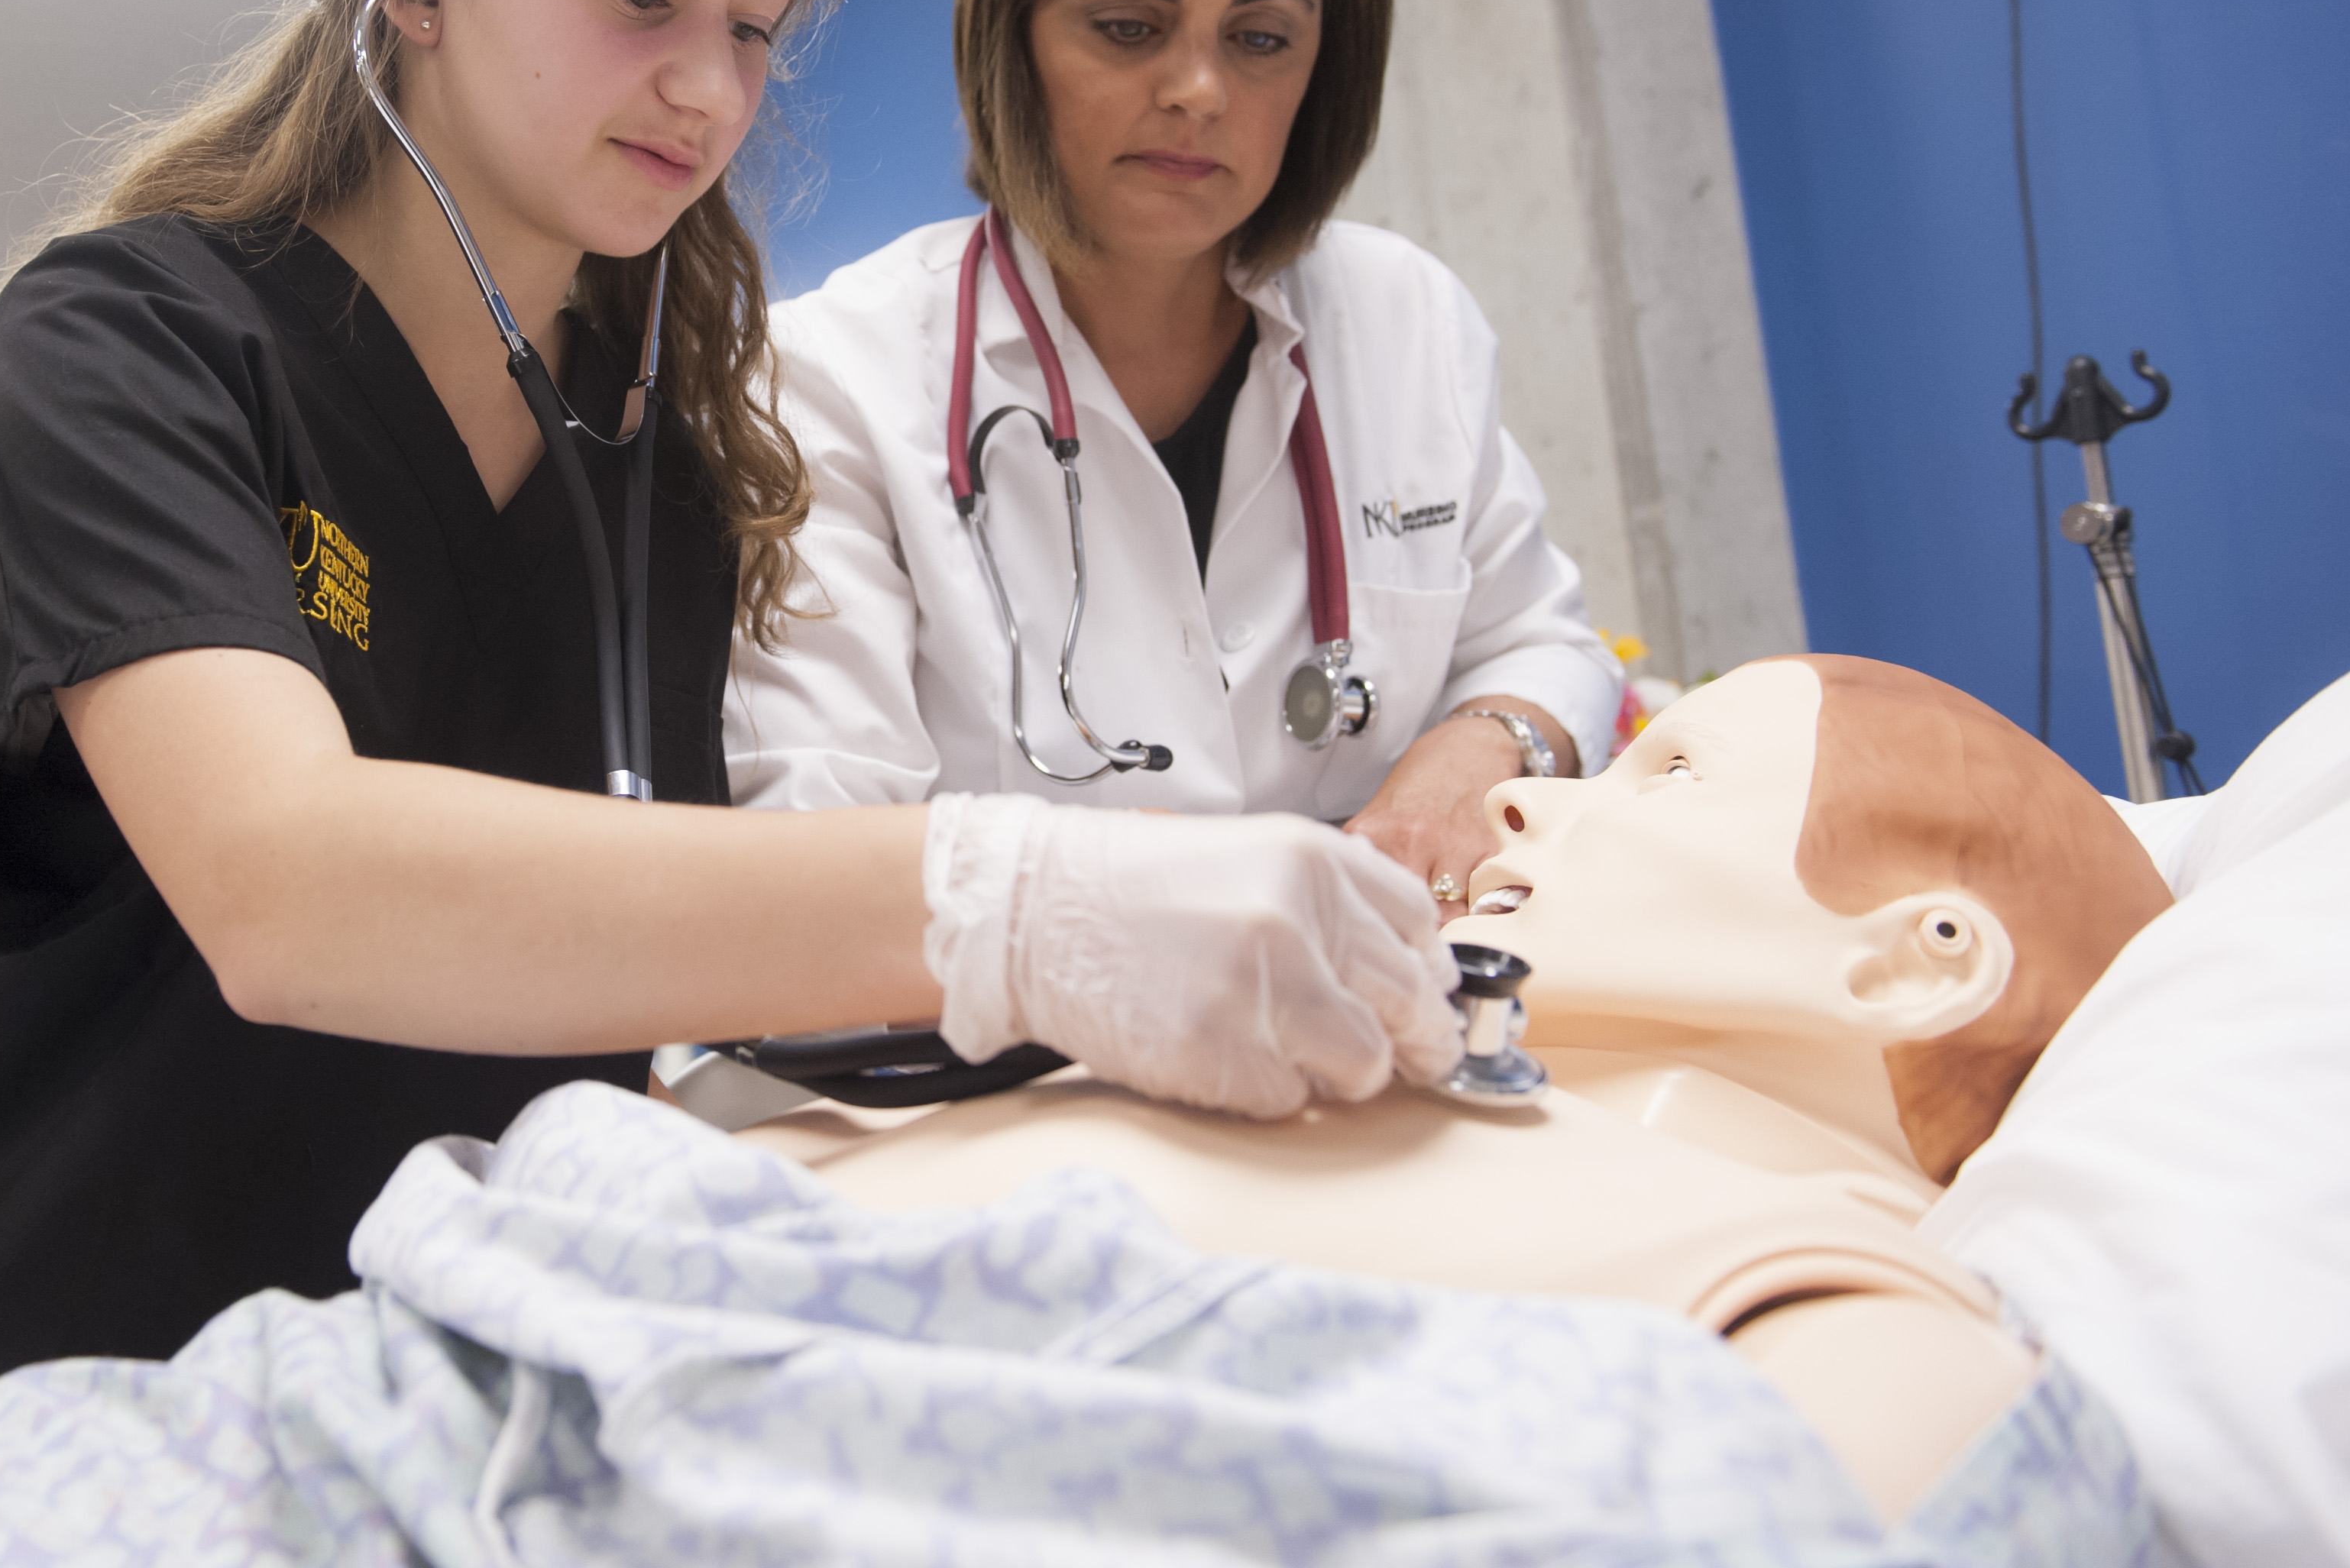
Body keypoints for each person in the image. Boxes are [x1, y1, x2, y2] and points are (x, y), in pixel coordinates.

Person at [0, 0, 1467, 1497]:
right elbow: (286, 888)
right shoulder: (135, 345)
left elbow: (666, 940)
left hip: (326, 1393)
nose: (710, 89)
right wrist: (1014, 890)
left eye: (754, 25)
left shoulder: (671, 475)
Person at [744, 653, 2174, 1524]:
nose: (1521, 796)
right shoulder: (1340, 1067)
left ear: (1907, 969)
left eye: (1665, 769)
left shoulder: (1858, 1337)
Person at [732, 0, 1622, 914]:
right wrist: (1182, 894)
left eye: (1261, 40)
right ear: (1012, 34)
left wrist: (1485, 745)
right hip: (1019, 1082)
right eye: (1127, 26)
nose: (1198, 90)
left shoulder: (1403, 321)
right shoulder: (828, 381)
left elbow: (1540, 640)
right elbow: (820, 843)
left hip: (1386, 1042)